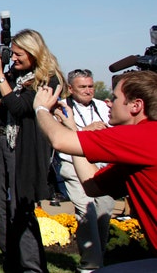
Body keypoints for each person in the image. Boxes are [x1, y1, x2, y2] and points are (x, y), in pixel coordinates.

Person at [34, 70, 157, 262]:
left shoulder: (141, 135)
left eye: (115, 98)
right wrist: (72, 128)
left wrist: (40, 108)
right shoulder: (137, 151)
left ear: (136, 105)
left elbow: (58, 140)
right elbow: (93, 186)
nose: (108, 101)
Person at [0, 29, 64, 272]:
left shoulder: (49, 79)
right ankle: (12, 258)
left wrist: (0, 75)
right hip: (2, 142)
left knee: (21, 207)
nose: (15, 58)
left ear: (34, 53)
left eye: (19, 54)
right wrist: (3, 71)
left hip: (25, 146)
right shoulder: (13, 74)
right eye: (13, 53)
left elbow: (20, 107)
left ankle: (32, 267)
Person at [54, 69, 114, 272]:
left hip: (101, 164)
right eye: (83, 87)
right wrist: (85, 132)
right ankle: (90, 265)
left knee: (104, 211)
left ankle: (99, 257)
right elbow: (59, 136)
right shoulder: (61, 107)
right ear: (70, 88)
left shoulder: (102, 107)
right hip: (72, 163)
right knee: (86, 210)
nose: (88, 91)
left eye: (90, 86)